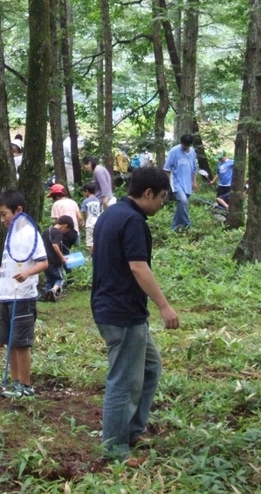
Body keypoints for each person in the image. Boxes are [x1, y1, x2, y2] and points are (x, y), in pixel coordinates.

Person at [91, 166, 178, 466]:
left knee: (150, 368)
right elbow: (138, 267)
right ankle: (114, 449)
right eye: (162, 197)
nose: (162, 203)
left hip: (117, 309)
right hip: (121, 312)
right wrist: (164, 306)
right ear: (148, 193)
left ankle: (132, 430)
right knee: (124, 381)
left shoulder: (110, 214)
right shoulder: (132, 221)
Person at [0, 191, 48, 399]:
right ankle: (16, 383)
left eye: (4, 214)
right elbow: (9, 266)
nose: (2, 219)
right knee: (10, 341)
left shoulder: (30, 233)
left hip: (23, 297)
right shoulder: (11, 234)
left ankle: (26, 385)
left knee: (21, 342)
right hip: (7, 296)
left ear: (18, 211)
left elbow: (43, 262)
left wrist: (27, 273)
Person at [163, 134, 198, 231]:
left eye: (187, 145)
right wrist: (168, 184)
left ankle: (174, 227)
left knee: (183, 205)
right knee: (183, 201)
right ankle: (187, 225)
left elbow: (194, 169)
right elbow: (167, 168)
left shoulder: (192, 152)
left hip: (187, 183)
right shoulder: (174, 151)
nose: (185, 147)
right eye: (183, 145)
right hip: (176, 182)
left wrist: (194, 182)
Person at [41, 216, 73, 301]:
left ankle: (47, 297)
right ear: (65, 226)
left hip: (45, 261)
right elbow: (55, 245)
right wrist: (62, 257)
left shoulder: (46, 231)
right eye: (66, 231)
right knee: (60, 279)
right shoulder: (58, 232)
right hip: (54, 261)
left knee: (49, 280)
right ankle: (53, 290)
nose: (65, 233)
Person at [48, 183, 82, 248]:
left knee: (65, 253)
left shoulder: (56, 204)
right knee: (76, 252)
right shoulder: (72, 202)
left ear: (55, 195)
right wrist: (76, 226)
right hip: (75, 232)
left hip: (64, 233)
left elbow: (57, 221)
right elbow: (79, 217)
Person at [80, 182, 102, 254]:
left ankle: (92, 256)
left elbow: (84, 213)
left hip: (90, 223)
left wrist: (84, 221)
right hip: (98, 222)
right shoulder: (97, 201)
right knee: (97, 240)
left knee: (90, 242)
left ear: (87, 191)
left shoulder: (85, 201)